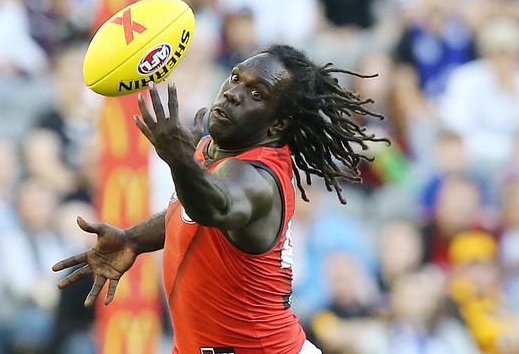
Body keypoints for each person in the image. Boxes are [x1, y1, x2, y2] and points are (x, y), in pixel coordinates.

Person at [53, 45, 387, 353]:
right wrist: (133, 239)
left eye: (256, 93)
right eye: (236, 77)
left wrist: (180, 160)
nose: (233, 93)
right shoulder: (215, 149)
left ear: (278, 123)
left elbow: (214, 208)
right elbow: (187, 210)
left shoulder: (257, 179)